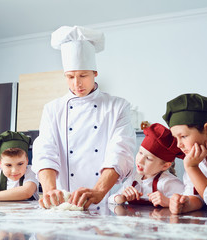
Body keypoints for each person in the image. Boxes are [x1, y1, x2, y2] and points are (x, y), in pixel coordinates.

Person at [32, 25, 136, 209]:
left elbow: (120, 151)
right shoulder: (52, 109)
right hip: (63, 203)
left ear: (95, 73)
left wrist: (99, 190)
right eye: (70, 77)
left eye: (83, 75)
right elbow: (45, 150)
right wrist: (49, 190)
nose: (77, 83)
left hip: (105, 202)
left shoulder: (118, 106)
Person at [108, 123, 185, 208]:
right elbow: (111, 199)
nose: (140, 160)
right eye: (140, 153)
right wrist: (121, 198)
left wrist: (169, 202)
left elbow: (187, 203)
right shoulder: (135, 178)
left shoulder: (168, 182)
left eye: (148, 158)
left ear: (165, 166)